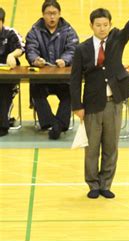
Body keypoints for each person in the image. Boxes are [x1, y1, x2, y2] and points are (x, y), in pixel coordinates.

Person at [70, 1, 129, 199]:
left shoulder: (117, 39)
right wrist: (77, 106)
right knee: (92, 148)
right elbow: (75, 78)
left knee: (111, 145)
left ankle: (106, 183)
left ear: (110, 24)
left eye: (105, 25)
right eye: (98, 25)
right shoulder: (82, 49)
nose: (102, 28)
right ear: (91, 26)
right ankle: (93, 185)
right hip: (91, 104)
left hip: (114, 102)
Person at [25, 0, 79, 139]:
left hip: (62, 78)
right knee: (36, 93)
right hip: (42, 79)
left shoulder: (68, 30)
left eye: (54, 13)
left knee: (69, 95)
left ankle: (56, 125)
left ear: (59, 14)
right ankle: (55, 124)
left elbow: (73, 49)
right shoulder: (34, 30)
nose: (52, 17)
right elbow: (30, 49)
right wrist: (35, 60)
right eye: (48, 14)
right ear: (43, 15)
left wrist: (65, 60)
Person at [0, 7, 23, 137]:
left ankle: (3, 125)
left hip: (7, 79)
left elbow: (21, 47)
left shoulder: (10, 33)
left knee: (3, 92)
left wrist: (12, 55)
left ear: (2, 22)